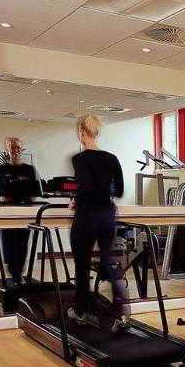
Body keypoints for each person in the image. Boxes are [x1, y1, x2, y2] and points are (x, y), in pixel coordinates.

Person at [67, 114, 129, 332]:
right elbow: (119, 190)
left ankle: (82, 311)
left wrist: (75, 200)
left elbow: (87, 187)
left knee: (82, 264)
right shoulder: (112, 158)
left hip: (86, 216)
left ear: (81, 133)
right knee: (108, 264)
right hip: (106, 216)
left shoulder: (79, 159)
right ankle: (121, 313)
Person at [0, 137, 37, 284]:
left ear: (22, 149)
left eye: (17, 147)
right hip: (7, 211)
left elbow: (33, 191)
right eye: (12, 147)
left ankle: (18, 273)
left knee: (22, 242)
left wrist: (25, 200)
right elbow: (3, 192)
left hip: (24, 211)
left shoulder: (29, 169)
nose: (15, 150)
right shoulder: (2, 169)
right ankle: (13, 271)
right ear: (7, 149)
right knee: (8, 241)